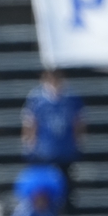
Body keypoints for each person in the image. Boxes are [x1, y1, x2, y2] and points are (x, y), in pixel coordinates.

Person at [22, 69, 84, 205]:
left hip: (65, 149)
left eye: (57, 77)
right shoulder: (36, 98)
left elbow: (78, 123)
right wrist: (29, 143)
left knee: (66, 180)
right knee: (44, 182)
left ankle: (67, 205)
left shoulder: (72, 98)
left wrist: (78, 142)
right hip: (44, 150)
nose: (54, 81)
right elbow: (30, 123)